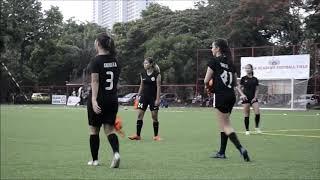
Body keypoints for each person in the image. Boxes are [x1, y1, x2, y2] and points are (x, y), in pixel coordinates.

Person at [204, 38, 250, 161]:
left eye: (213, 47)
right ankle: (222, 152)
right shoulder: (231, 63)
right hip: (231, 96)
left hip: (221, 96)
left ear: (218, 48)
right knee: (223, 125)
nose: (211, 49)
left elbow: (205, 80)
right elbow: (235, 83)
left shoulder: (213, 61)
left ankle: (241, 149)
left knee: (226, 125)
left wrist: (209, 87)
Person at [87, 33, 121, 168]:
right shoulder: (116, 61)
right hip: (112, 99)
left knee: (94, 130)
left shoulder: (95, 61)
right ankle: (116, 153)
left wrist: (94, 100)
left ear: (98, 44)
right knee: (110, 129)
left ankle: (95, 160)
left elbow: (95, 81)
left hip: (99, 99)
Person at [128, 57, 162, 141]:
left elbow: (158, 87)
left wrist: (157, 99)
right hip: (144, 97)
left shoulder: (157, 74)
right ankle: (137, 135)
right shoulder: (142, 74)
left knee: (154, 116)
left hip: (153, 98)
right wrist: (138, 96)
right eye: (144, 63)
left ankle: (156, 136)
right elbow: (141, 85)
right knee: (139, 115)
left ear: (151, 64)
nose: (145, 64)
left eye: (146, 63)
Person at [237, 64, 261, 135]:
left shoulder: (255, 79)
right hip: (246, 99)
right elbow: (238, 87)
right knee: (247, 114)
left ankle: (257, 128)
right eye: (246, 68)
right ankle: (247, 130)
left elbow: (257, 89)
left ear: (251, 69)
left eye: (248, 68)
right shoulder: (243, 78)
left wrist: (255, 97)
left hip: (253, 99)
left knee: (257, 112)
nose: (247, 69)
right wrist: (242, 95)